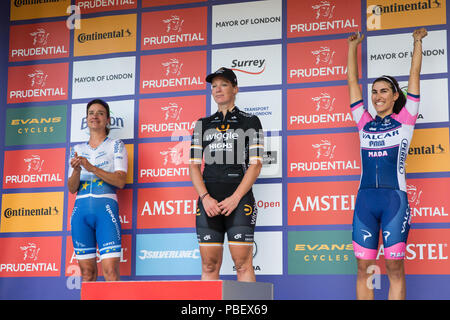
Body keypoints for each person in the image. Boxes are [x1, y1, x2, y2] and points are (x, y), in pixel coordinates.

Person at [347, 28, 427, 300]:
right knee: (364, 268)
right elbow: (352, 84)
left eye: (384, 91)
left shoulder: (406, 120)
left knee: (394, 267)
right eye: (374, 92)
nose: (377, 96)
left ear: (395, 96)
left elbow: (414, 77)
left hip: (395, 200)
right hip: (365, 202)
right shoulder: (363, 122)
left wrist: (416, 43)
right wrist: (352, 48)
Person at [189, 67, 264, 282]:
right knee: (209, 265)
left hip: (239, 200)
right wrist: (205, 198)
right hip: (208, 200)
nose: (217, 90)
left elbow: (256, 165)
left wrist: (235, 198)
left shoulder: (250, 121)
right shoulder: (201, 125)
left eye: (223, 84)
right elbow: (194, 166)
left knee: (243, 265)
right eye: (214, 86)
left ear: (235, 89)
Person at [68, 99, 128, 282]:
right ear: (86, 119)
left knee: (110, 273)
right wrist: (78, 170)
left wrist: (92, 168)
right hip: (80, 214)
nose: (95, 116)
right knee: (87, 274)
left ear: (108, 119)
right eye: (91, 113)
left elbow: (120, 181)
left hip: (106, 212)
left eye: (100, 113)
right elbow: (71, 188)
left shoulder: (116, 145)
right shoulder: (77, 149)